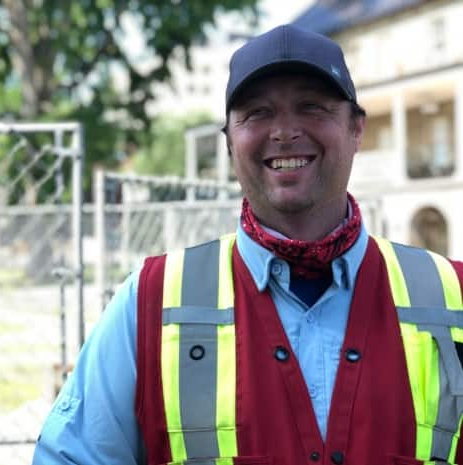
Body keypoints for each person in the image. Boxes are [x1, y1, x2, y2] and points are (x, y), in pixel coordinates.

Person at [33, 24, 463, 465]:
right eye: (257, 113)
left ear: (357, 129)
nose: (283, 131)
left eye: (311, 106)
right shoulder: (150, 302)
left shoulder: (453, 296)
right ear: (229, 142)